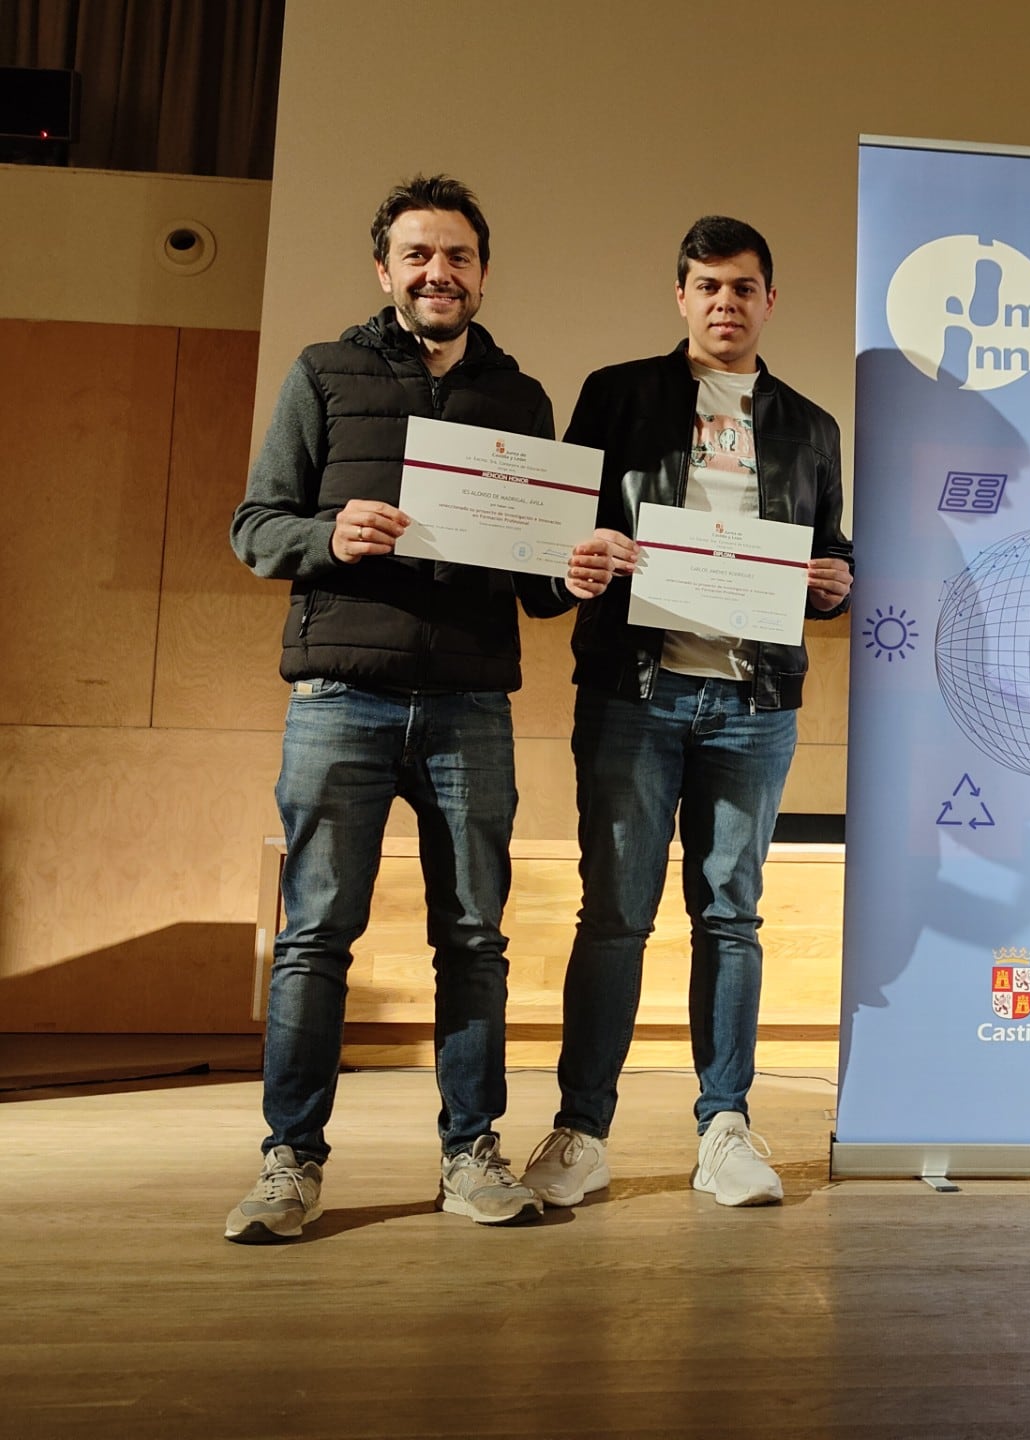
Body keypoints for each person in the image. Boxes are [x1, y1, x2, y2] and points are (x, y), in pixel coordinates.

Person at [225, 175, 627, 1242]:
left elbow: (535, 583)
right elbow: (256, 526)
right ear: (385, 270)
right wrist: (327, 535)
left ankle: (470, 1152)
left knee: (476, 940)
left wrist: (573, 574)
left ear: (482, 273)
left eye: (457, 256)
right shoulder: (323, 372)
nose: (438, 272)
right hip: (338, 698)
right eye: (417, 254)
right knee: (314, 937)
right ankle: (290, 1163)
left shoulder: (523, 399)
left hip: (467, 707)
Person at [521, 216, 853, 1209]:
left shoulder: (810, 424)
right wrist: (575, 561)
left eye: (743, 287)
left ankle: (726, 1127)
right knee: (615, 914)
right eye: (706, 285)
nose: (724, 302)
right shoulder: (618, 396)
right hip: (635, 691)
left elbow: (831, 551)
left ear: (768, 301)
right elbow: (559, 531)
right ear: (680, 296)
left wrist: (839, 581)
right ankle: (582, 1131)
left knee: (732, 916)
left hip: (753, 703)